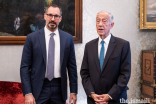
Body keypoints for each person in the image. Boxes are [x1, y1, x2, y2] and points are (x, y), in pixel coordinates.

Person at [20, 4, 77, 104]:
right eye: (50, 15)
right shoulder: (32, 38)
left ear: (60, 18)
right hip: (39, 88)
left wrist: (73, 91)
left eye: (56, 16)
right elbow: (24, 67)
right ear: (44, 16)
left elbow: (72, 67)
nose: (53, 19)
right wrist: (28, 93)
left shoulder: (68, 39)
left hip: (59, 88)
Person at [80, 11, 131, 104]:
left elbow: (125, 74)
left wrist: (110, 95)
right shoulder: (89, 46)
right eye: (98, 21)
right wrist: (92, 93)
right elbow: (84, 73)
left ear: (112, 25)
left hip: (116, 99)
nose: (100, 24)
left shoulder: (123, 45)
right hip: (94, 100)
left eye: (104, 21)